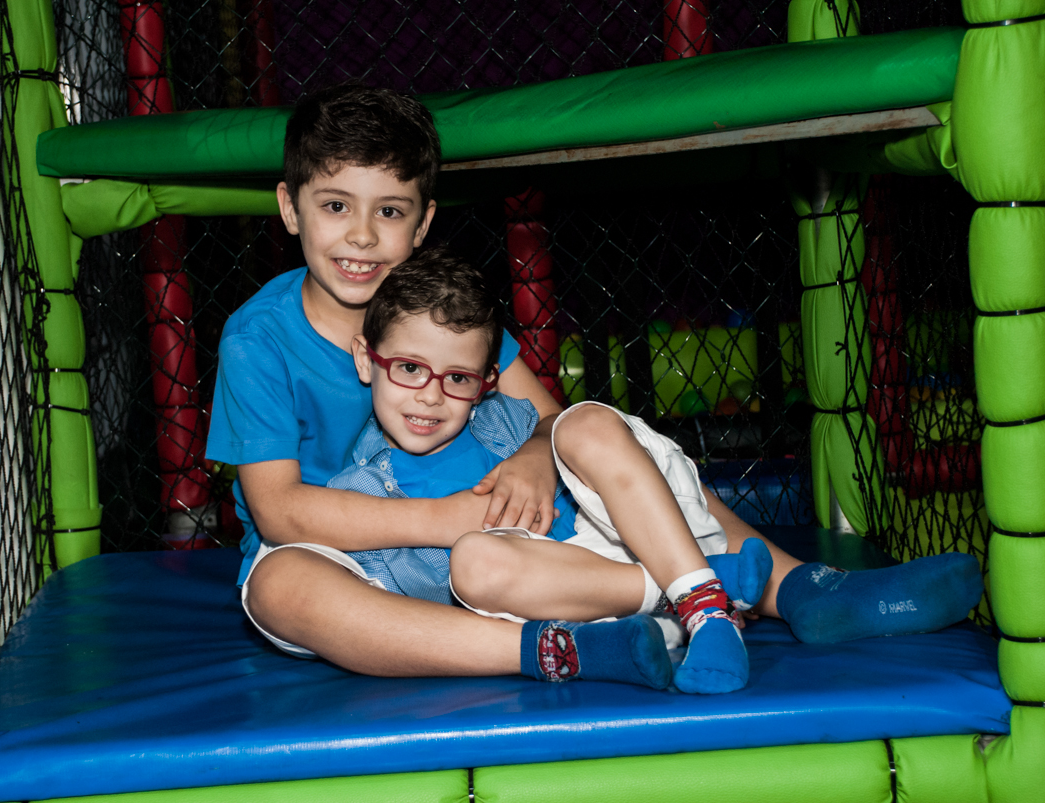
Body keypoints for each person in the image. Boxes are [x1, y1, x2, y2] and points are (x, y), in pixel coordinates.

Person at [207, 83, 982, 692]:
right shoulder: (259, 338)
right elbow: (277, 507)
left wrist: (537, 459)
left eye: (391, 211)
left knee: (597, 436)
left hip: (514, 547)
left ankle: (799, 588)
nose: (363, 236)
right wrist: (443, 520)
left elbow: (552, 418)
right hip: (365, 564)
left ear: (423, 223)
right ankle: (557, 651)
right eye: (336, 207)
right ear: (290, 207)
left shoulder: (436, 313)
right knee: (281, 587)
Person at [328, 249, 986, 693]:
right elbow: (401, 608)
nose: (430, 395)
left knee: (580, 422)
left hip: (643, 529)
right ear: (368, 359)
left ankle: (769, 593)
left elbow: (579, 438)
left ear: (488, 382)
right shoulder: (359, 492)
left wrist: (539, 444)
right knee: (472, 563)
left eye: (458, 378)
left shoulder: (501, 420)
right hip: (603, 610)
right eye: (408, 368)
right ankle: (709, 591)